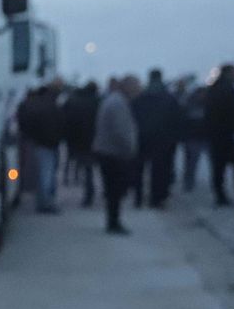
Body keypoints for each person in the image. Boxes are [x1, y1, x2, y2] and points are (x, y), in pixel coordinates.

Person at [93, 73, 138, 234]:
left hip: (107, 152)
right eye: (135, 87)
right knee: (115, 191)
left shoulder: (113, 100)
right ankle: (113, 223)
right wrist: (131, 148)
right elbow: (121, 131)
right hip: (113, 154)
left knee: (113, 190)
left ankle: (113, 221)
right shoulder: (118, 104)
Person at [131, 68, 179, 208]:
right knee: (160, 170)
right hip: (163, 139)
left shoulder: (140, 97)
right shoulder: (168, 98)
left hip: (142, 137)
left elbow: (133, 115)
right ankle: (157, 199)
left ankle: (138, 198)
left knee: (139, 169)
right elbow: (176, 119)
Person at [17, 79, 65, 213]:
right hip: (49, 143)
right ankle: (45, 203)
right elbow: (59, 122)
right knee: (47, 173)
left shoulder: (34, 104)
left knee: (43, 173)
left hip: (40, 142)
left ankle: (43, 201)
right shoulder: (52, 104)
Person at [204, 64, 234, 206]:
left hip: (216, 134)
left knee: (218, 168)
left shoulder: (213, 89)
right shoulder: (229, 90)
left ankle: (220, 196)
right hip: (228, 134)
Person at [62, 80, 101, 207]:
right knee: (90, 168)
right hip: (93, 139)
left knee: (80, 165)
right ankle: (90, 193)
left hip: (77, 139)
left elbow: (66, 119)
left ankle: (72, 180)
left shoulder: (74, 100)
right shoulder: (97, 102)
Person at [177, 78, 208, 193]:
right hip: (193, 137)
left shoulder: (189, 103)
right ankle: (188, 181)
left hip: (198, 136)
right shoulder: (190, 104)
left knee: (191, 161)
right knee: (191, 161)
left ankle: (189, 181)